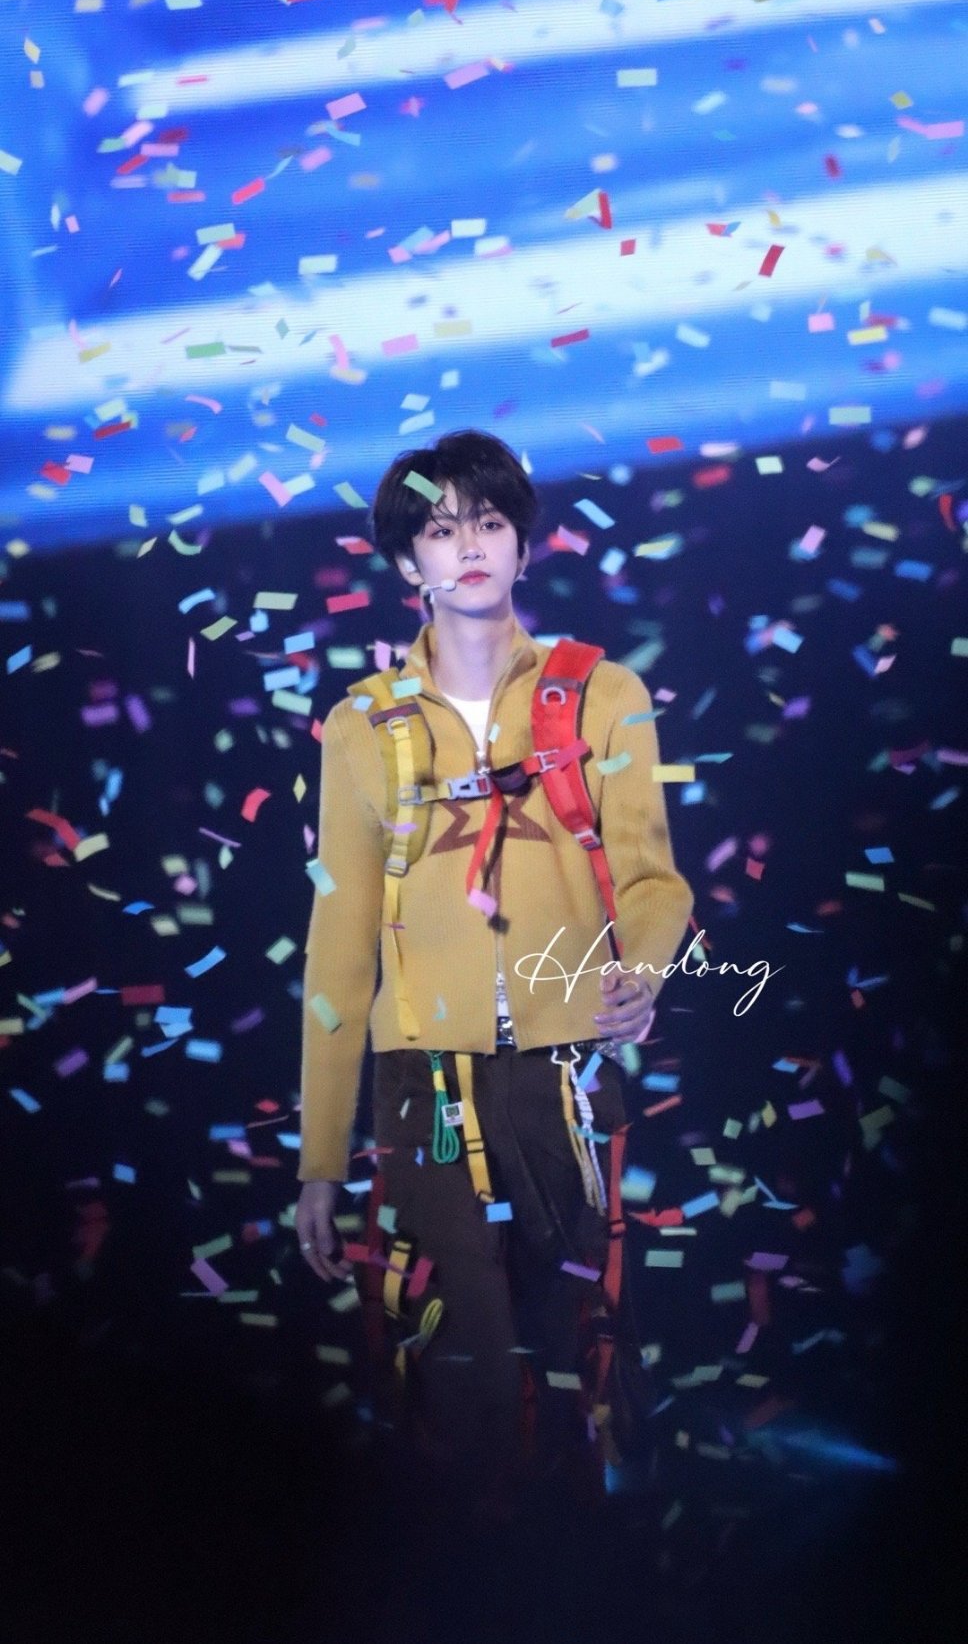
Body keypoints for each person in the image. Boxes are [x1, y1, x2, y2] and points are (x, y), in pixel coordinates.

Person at [294, 429, 694, 1532]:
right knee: (458, 1350)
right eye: (439, 528)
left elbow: (654, 879)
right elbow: (338, 946)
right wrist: (319, 1159)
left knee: (580, 1342)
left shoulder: (600, 692)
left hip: (564, 1071)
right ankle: (473, 1566)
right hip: (420, 1079)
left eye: (486, 522)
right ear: (405, 563)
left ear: (523, 544)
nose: (466, 544)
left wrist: (639, 974)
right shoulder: (360, 725)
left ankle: (595, 1565)